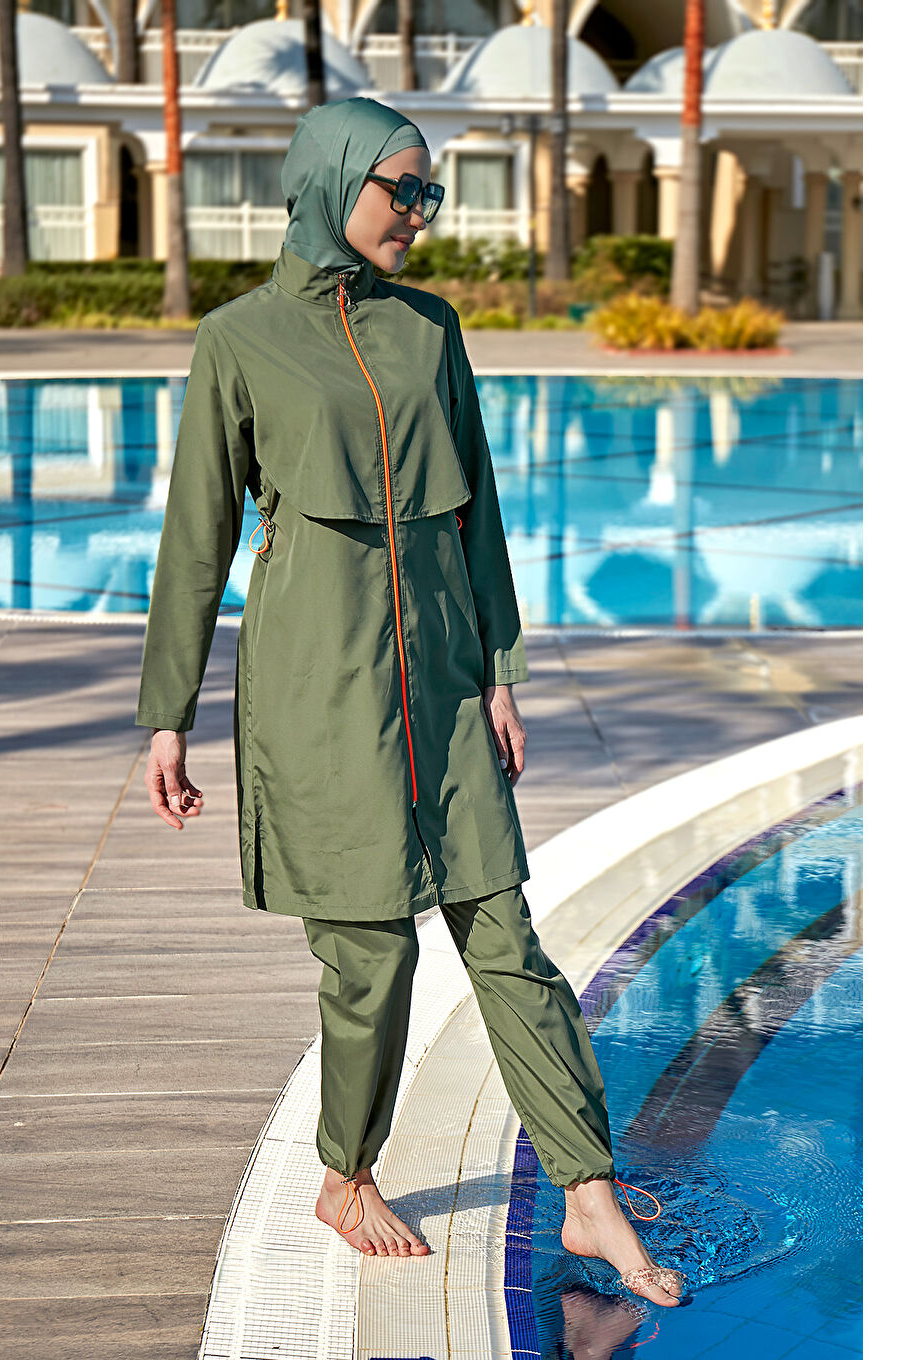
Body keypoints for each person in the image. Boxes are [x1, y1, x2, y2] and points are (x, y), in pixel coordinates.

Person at [135, 97, 684, 1308]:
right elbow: (194, 540)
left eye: (432, 193)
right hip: (317, 691)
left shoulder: (431, 330)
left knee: (505, 932)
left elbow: (477, 509)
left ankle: (586, 1186)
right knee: (370, 952)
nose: (422, 215)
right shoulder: (238, 340)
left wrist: (499, 671)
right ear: (334, 182)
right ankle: (346, 1174)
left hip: (440, 685)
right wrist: (168, 713)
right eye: (404, 190)